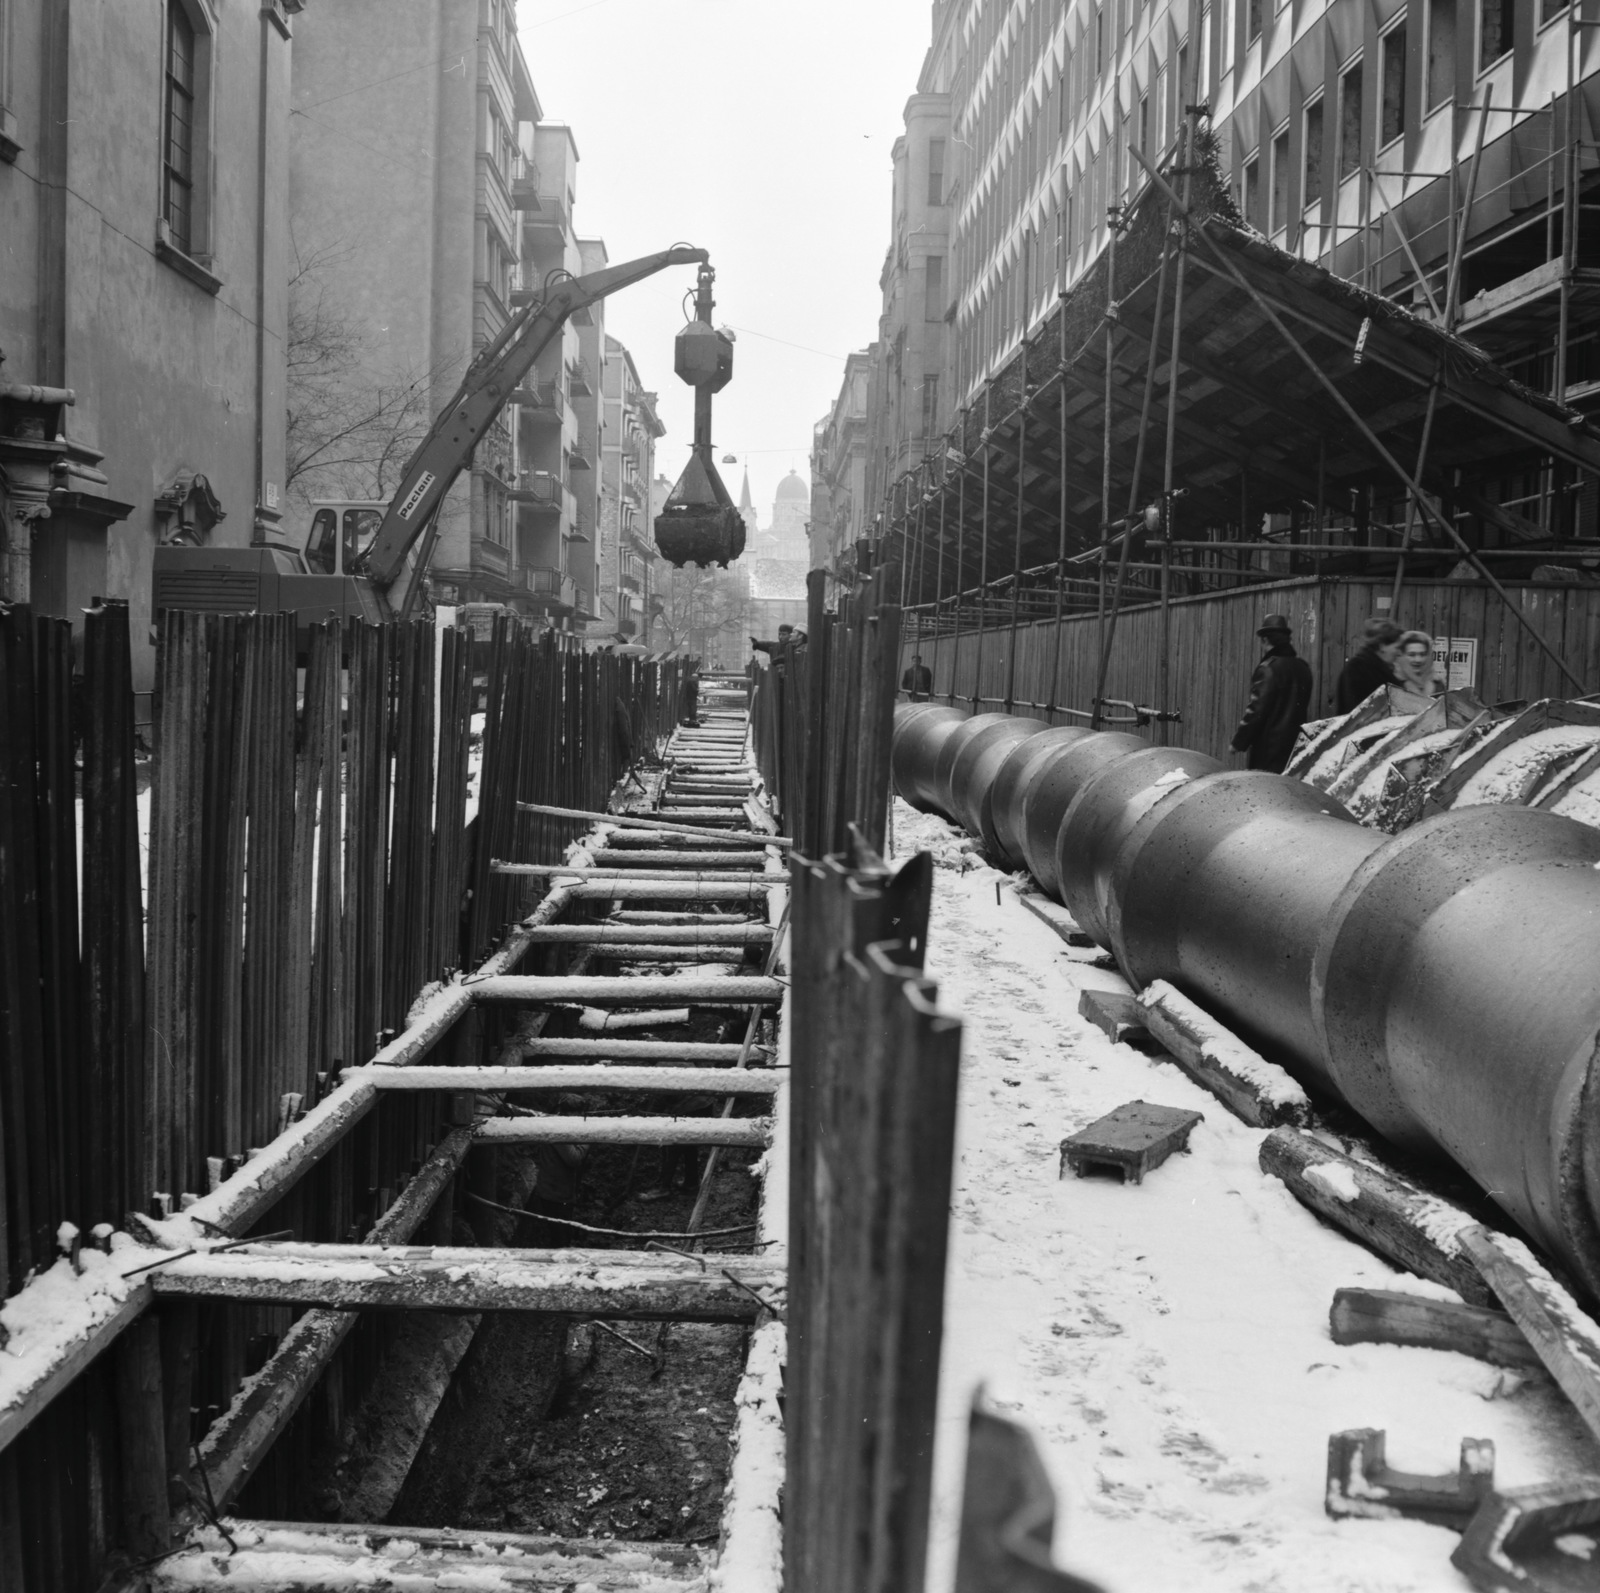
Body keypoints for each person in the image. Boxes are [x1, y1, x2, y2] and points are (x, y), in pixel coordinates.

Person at [1229, 612, 1314, 774]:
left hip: (1268, 751)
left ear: (1265, 640)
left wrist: (1238, 743)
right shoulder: (1303, 668)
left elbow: (1256, 710)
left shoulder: (1268, 669)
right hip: (1296, 748)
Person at [1335, 618, 1404, 713]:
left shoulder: (1378, 667)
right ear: (1382, 646)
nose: (1399, 653)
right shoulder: (1358, 668)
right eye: (1397, 647)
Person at [1393, 629, 1440, 700]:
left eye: (1422, 654)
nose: (1418, 660)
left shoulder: (1438, 685)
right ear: (1401, 655)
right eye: (1411, 655)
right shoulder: (1393, 683)